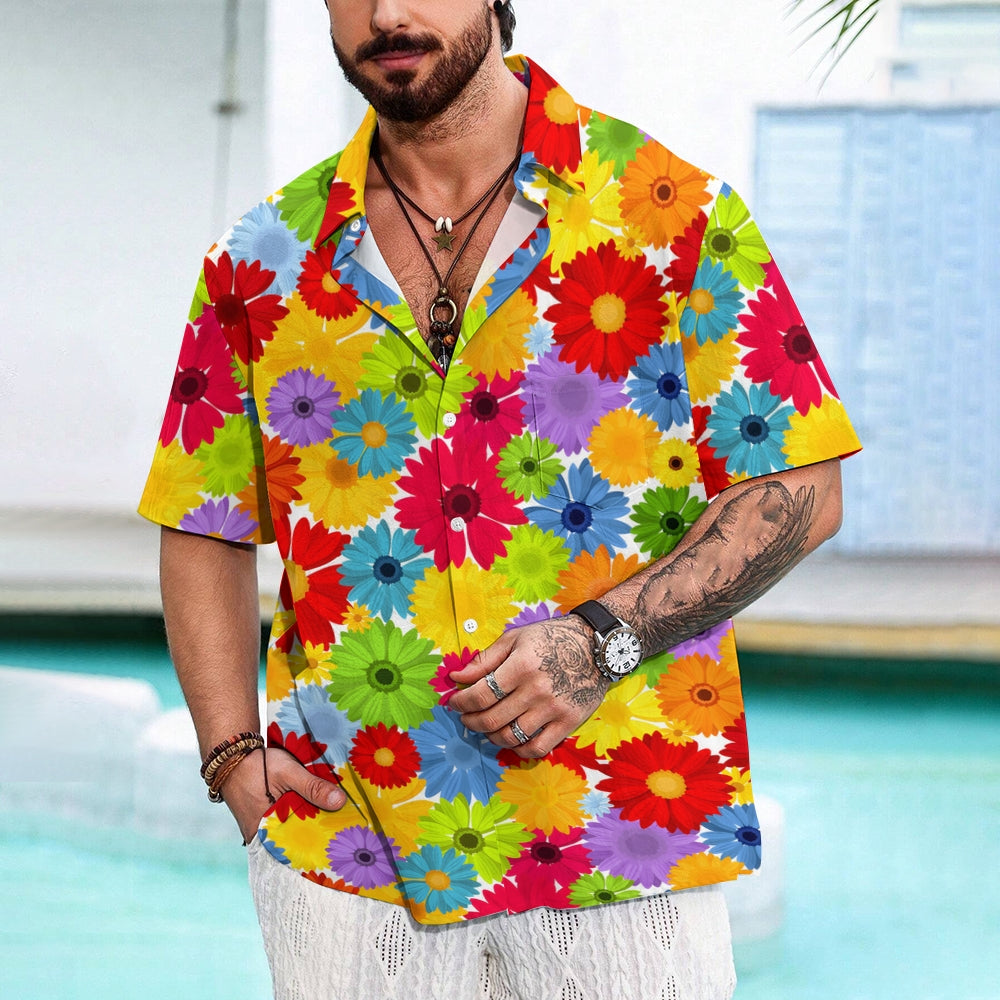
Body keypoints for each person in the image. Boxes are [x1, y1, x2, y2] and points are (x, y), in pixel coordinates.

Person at [139, 2, 861, 997]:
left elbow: (800, 485)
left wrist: (601, 642)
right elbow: (203, 521)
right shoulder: (260, 258)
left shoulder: (673, 213)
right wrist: (230, 757)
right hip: (350, 855)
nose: (387, 13)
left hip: (619, 838)